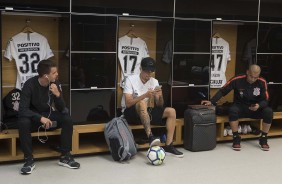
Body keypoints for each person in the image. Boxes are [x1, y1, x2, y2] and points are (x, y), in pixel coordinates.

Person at [18, 59, 80, 175]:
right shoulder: (29, 85)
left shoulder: (55, 83)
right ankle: (28, 160)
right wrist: (40, 118)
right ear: (46, 76)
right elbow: (23, 110)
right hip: (33, 118)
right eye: (54, 73)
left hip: (48, 115)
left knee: (67, 118)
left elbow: (62, 109)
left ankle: (65, 156)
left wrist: (58, 95)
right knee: (23, 122)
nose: (57, 74)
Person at [121, 57, 184, 158]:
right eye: (147, 71)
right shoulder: (130, 79)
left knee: (171, 111)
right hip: (131, 113)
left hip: (145, 111)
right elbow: (128, 103)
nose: (148, 74)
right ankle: (150, 136)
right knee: (141, 102)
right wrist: (145, 95)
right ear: (141, 69)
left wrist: (159, 96)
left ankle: (169, 145)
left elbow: (160, 105)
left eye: (151, 72)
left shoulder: (154, 81)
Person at [201, 64, 273, 151]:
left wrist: (259, 105)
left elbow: (266, 100)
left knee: (269, 111)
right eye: (251, 76)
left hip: (255, 108)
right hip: (240, 106)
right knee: (232, 110)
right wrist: (211, 101)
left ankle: (263, 138)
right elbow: (223, 90)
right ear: (247, 72)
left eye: (255, 77)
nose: (253, 79)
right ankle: (236, 137)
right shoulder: (237, 79)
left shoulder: (262, 82)